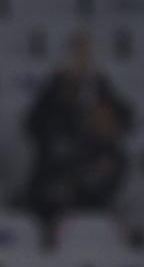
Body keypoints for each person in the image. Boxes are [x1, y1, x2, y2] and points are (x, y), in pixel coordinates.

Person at [23, 30, 132, 238]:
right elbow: (33, 125)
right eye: (76, 52)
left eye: (85, 52)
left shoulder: (102, 92)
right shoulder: (53, 98)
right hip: (54, 193)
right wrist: (60, 81)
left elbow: (124, 120)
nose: (80, 59)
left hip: (95, 195)